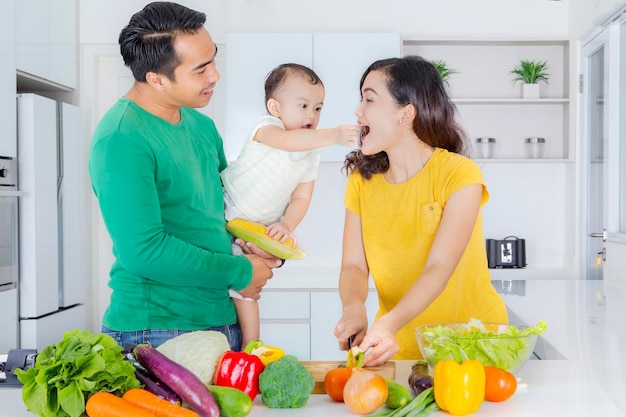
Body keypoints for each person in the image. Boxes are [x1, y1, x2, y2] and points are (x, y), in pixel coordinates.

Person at [88, 1, 281, 352]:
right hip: (157, 331)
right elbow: (144, 251)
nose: (215, 76)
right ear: (156, 78)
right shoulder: (121, 138)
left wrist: (260, 246)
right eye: (201, 69)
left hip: (222, 319)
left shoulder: (201, 126)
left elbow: (225, 212)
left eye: (214, 58)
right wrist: (240, 272)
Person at [333, 55, 508, 367]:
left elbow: (439, 267)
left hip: (473, 346)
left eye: (369, 99)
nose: (358, 112)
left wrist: (387, 324)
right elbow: (354, 267)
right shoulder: (362, 181)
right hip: (400, 348)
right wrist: (353, 306)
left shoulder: (459, 174)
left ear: (406, 113)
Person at [222, 63, 360, 346]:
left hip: (254, 228)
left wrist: (287, 224)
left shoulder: (311, 155)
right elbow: (287, 141)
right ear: (275, 108)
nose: (312, 115)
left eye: (318, 108)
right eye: (304, 105)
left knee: (245, 289)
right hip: (225, 205)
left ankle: (252, 348)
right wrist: (332, 136)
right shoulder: (266, 128)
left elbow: (301, 198)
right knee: (220, 276)